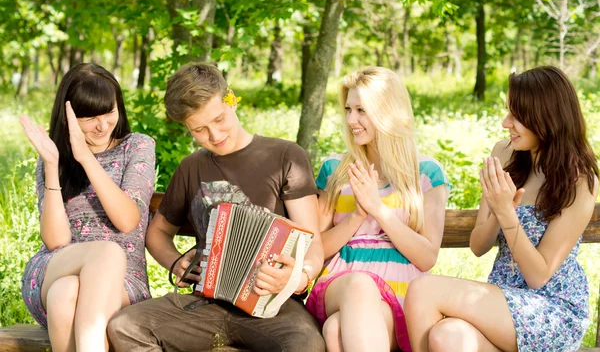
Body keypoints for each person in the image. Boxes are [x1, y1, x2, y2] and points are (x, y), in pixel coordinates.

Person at [108, 63, 326, 352]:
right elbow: (157, 232)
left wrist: (296, 278)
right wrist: (176, 262)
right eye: (199, 129)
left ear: (231, 99)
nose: (214, 135)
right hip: (204, 305)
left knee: (307, 344)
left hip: (272, 306)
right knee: (124, 327)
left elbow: (313, 245)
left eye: (219, 119)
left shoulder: (286, 156)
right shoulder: (191, 167)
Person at [404, 66, 598, 352]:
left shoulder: (580, 179)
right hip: (502, 299)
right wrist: (496, 209)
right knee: (448, 335)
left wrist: (508, 214)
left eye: (516, 116)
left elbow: (539, 275)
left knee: (422, 289)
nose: (506, 123)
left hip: (550, 310)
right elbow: (478, 246)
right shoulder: (504, 153)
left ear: (545, 116)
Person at [305, 66, 450, 352]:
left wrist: (377, 209)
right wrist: (358, 216)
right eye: (348, 109)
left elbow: (427, 257)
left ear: (388, 111)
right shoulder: (335, 170)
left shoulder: (425, 173)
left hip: (402, 289)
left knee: (336, 332)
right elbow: (317, 248)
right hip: (342, 282)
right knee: (360, 285)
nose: (351, 120)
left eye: (361, 110)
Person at [20, 63, 156, 352]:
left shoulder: (137, 147)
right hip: (57, 266)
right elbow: (57, 242)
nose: (103, 125)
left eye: (109, 112)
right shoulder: (53, 157)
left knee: (66, 292)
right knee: (103, 253)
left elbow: (127, 220)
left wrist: (86, 157)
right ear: (68, 117)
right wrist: (52, 164)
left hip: (124, 281)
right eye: (90, 117)